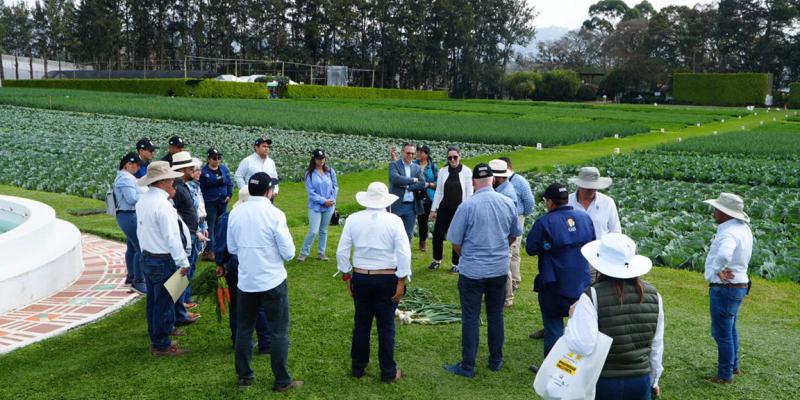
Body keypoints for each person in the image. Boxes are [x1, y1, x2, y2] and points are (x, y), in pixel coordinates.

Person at [562, 233, 664, 399]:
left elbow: (583, 345)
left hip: (604, 380)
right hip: (640, 380)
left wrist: (573, 319)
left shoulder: (592, 296)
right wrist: (654, 380)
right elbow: (656, 345)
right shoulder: (654, 296)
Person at [227, 172, 303, 392]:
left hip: (247, 281)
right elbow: (288, 252)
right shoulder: (275, 214)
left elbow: (232, 248)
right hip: (272, 280)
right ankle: (282, 380)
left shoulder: (236, 213)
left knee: (244, 329)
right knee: (278, 331)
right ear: (269, 191)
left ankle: (244, 376)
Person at [444, 164, 521, 378]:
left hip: (472, 271)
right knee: (496, 315)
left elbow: (456, 242)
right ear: (493, 180)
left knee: (471, 317)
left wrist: (469, 255)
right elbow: (514, 235)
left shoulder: (467, 206)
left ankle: (468, 366)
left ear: (473, 182)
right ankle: (495, 361)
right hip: (498, 269)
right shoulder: (507, 203)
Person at [336, 181, 412, 383]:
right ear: (385, 200)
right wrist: (402, 279)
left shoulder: (353, 219)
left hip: (361, 276)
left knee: (361, 324)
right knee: (386, 326)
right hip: (387, 277)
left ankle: (358, 367)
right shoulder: (394, 221)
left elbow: (342, 251)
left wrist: (346, 276)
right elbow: (404, 252)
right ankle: (388, 371)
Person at [526, 183, 595, 372]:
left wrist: (547, 245)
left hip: (554, 283)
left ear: (549, 202)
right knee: (581, 327)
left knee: (553, 325)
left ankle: (552, 370)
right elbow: (593, 244)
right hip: (581, 282)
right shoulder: (585, 218)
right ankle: (578, 368)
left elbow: (530, 248)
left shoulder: (544, 222)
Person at [135, 161, 192, 356]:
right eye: (170, 179)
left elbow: (140, 231)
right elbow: (172, 237)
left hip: (148, 256)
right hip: (162, 259)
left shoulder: (143, 201)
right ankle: (161, 344)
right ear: (162, 182)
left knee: (154, 300)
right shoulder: (163, 205)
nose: (173, 183)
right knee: (163, 303)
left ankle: (159, 335)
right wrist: (183, 261)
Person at [214, 186, 272, 355]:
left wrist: (220, 263)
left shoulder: (229, 217)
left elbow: (222, 245)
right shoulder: (261, 216)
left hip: (235, 266)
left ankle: (238, 340)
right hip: (256, 264)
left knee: (238, 305)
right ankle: (266, 342)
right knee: (260, 304)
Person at [703, 193, 752, 385]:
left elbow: (724, 254)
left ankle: (725, 375)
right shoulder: (743, 228)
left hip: (726, 287)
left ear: (726, 213)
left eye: (717, 209)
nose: (714, 212)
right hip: (740, 284)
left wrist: (717, 270)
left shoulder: (729, 232)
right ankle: (733, 366)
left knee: (721, 332)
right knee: (730, 328)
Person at [429, 146, 473, 272]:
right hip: (444, 208)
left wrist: (468, 210)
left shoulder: (467, 171)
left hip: (460, 210)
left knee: (458, 236)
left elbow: (469, 192)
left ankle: (456, 264)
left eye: (455, 157)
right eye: (450, 158)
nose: (452, 160)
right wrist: (433, 210)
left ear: (460, 156)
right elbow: (438, 192)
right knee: (437, 234)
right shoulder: (443, 171)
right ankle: (437, 260)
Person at [170, 151, 201, 326]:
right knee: (181, 275)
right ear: (183, 169)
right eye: (190, 167)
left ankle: (181, 310)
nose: (193, 170)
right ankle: (179, 314)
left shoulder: (181, 186)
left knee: (184, 275)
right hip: (185, 235)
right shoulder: (177, 188)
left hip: (190, 233)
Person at [499, 157, 534, 308]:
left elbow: (529, 201)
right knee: (512, 251)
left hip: (517, 216)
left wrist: (522, 215)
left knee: (514, 250)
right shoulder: (501, 183)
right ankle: (512, 281)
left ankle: (514, 281)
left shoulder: (519, 181)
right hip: (506, 217)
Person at [114, 152, 146, 294]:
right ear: (126, 164)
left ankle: (131, 276)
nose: (136, 167)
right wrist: (147, 194)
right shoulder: (125, 179)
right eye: (133, 164)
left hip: (128, 215)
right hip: (129, 215)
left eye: (138, 165)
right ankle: (138, 281)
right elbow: (132, 199)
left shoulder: (126, 177)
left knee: (132, 247)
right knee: (140, 247)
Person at [299, 149, 338, 262]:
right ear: (314, 159)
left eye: (323, 158)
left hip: (329, 206)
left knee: (324, 230)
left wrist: (331, 200)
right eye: (318, 159)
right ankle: (303, 252)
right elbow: (311, 192)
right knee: (313, 231)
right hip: (315, 207)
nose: (321, 161)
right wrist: (323, 201)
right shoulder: (309, 174)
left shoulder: (330, 171)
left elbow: (335, 187)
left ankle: (321, 253)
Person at [568, 166, 621, 241]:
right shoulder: (567, 202)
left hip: (601, 249)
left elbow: (616, 231)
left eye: (594, 186)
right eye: (587, 187)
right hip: (574, 250)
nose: (591, 190)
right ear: (579, 185)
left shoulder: (608, 202)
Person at [200, 148, 233, 262]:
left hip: (223, 201)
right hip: (210, 202)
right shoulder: (204, 172)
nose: (217, 160)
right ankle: (209, 251)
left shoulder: (223, 169)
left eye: (219, 158)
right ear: (209, 159)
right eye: (214, 158)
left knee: (221, 224)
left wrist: (229, 194)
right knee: (211, 225)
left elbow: (229, 182)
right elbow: (201, 189)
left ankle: (220, 248)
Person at [388, 143, 426, 242]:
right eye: (408, 153)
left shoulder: (417, 167)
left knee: (407, 235)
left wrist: (408, 187)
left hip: (411, 207)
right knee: (392, 233)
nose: (410, 156)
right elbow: (395, 179)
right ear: (402, 152)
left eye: (413, 154)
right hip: (396, 205)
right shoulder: (394, 164)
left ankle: (405, 256)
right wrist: (413, 180)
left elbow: (422, 183)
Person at [414, 145, 437, 252]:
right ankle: (418, 241)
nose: (418, 154)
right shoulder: (413, 165)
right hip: (416, 196)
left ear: (426, 154)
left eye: (421, 152)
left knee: (425, 221)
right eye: (418, 151)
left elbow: (439, 183)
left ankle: (423, 241)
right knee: (419, 220)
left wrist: (429, 185)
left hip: (429, 197)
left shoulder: (433, 167)